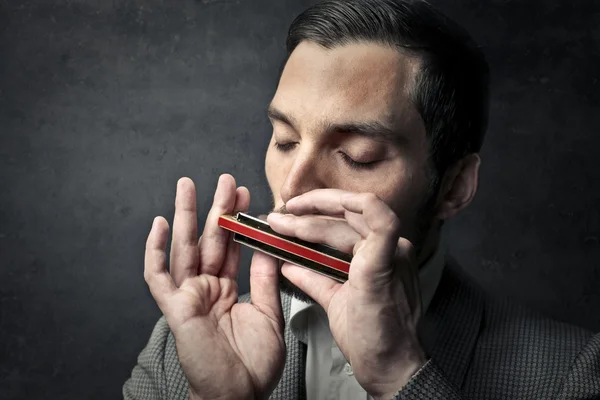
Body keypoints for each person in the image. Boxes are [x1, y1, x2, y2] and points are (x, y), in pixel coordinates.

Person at [123, 0, 600, 399]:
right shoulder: (179, 346)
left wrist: (402, 376)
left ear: (454, 185)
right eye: (285, 141)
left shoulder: (568, 372)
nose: (290, 188)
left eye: (358, 156)